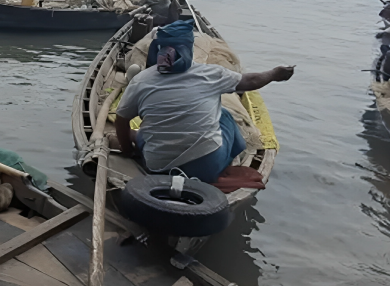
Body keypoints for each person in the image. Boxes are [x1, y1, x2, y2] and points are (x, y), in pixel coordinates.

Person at [113, 20, 294, 183]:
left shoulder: (141, 79)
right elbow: (251, 81)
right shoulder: (211, 74)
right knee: (224, 115)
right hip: (205, 169)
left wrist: (128, 151)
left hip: (156, 166)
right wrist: (274, 74)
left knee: (148, 130)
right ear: (188, 48)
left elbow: (121, 120)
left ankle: (137, 138)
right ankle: (226, 162)